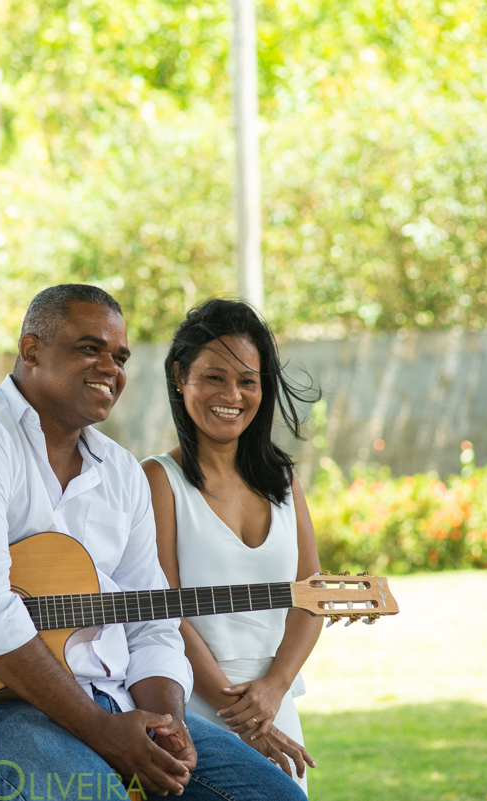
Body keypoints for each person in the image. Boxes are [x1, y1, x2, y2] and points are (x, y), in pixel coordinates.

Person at [0, 284, 306, 801]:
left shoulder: (120, 472)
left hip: (114, 697)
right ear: (31, 351)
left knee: (275, 796)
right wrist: (102, 733)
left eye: (119, 356)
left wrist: (169, 724)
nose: (110, 367)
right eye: (89, 348)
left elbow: (153, 620)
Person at [142, 298, 323, 792]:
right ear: (180, 377)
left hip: (275, 701)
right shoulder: (160, 479)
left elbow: (312, 594)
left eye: (248, 380)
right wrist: (240, 713)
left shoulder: (283, 477)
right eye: (214, 377)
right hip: (193, 709)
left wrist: (274, 691)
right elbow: (163, 611)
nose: (233, 394)